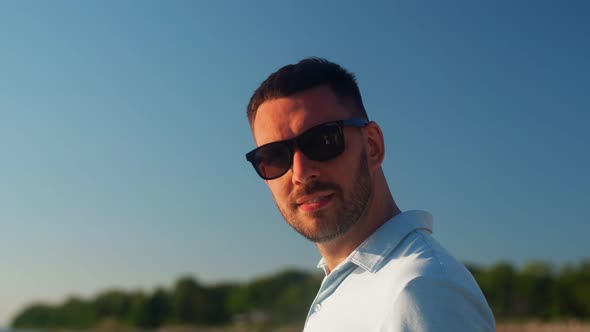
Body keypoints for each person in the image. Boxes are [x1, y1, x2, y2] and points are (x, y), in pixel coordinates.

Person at [244, 57, 495, 331]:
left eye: (323, 140)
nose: (300, 173)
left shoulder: (421, 290)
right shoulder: (360, 288)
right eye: (275, 157)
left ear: (372, 146)